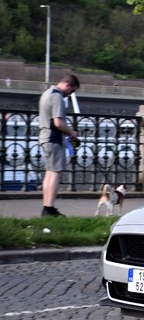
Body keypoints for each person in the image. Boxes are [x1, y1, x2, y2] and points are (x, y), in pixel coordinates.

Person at [38, 74, 80, 217]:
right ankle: (50, 208)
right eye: (72, 91)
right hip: (54, 138)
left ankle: (46, 206)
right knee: (56, 173)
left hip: (44, 137)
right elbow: (58, 123)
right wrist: (71, 132)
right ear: (68, 85)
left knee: (49, 173)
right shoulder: (57, 97)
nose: (71, 94)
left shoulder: (46, 93)